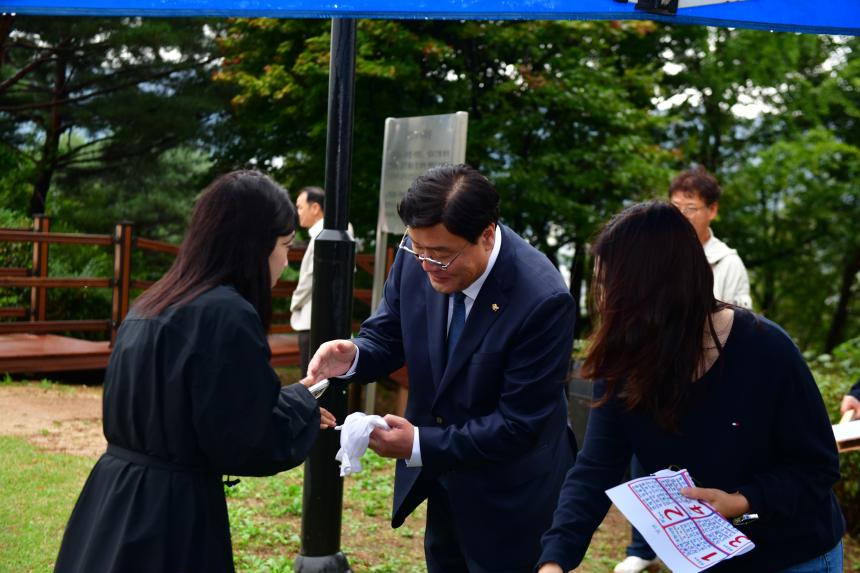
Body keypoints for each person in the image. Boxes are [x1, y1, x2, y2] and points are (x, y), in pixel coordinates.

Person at [537, 201, 844, 573]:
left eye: (612, 288)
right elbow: (594, 469)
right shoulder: (625, 359)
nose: (603, 301)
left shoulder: (766, 349)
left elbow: (818, 466)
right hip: (705, 557)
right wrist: (554, 560)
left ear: (657, 291)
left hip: (793, 554)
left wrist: (742, 501)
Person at [54, 171, 336, 573]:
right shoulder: (227, 315)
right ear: (254, 245)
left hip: (111, 499)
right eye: (284, 247)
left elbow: (201, 408)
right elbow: (244, 436)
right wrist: (302, 408)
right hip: (171, 515)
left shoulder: (153, 301)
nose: (285, 262)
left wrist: (297, 398)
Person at [306, 164, 577, 572]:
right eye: (418, 249)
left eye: (442, 256)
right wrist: (355, 355)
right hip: (443, 480)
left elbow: (519, 424)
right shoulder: (419, 251)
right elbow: (388, 334)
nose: (426, 264)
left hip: (513, 493)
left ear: (487, 235)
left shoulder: (541, 299)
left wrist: (418, 444)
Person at [616, 168, 754, 573]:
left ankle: (701, 539)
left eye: (690, 208)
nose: (682, 215)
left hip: (709, 375)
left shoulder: (727, 261)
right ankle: (642, 547)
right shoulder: (657, 253)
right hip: (658, 369)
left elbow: (740, 317)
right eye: (675, 206)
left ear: (712, 211)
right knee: (645, 454)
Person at [290, 185, 353, 377]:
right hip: (335, 319)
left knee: (312, 378)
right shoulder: (343, 229)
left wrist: (294, 303)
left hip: (312, 320)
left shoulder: (324, 234)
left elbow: (310, 278)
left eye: (300, 207)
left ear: (315, 208)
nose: (298, 212)